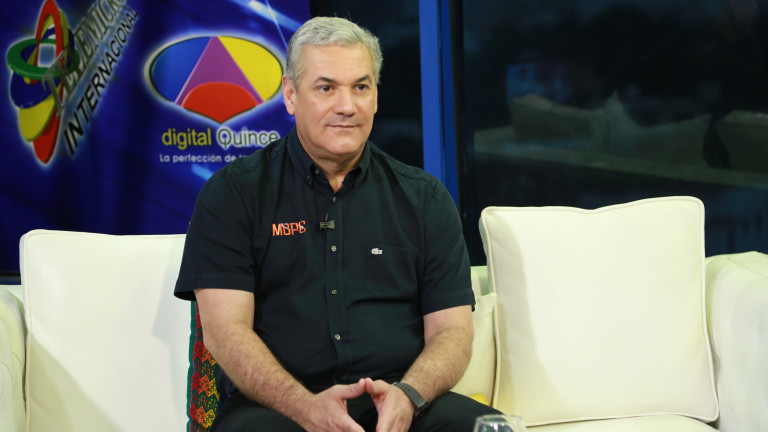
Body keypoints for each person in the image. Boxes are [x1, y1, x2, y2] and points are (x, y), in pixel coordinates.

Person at [174, 16, 499, 432]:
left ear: (376, 96)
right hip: (278, 409)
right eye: (326, 88)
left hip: (402, 405)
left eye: (360, 87)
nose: (347, 106)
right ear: (291, 95)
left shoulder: (425, 198)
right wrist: (306, 408)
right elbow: (225, 333)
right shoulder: (233, 194)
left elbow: (452, 331)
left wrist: (409, 395)